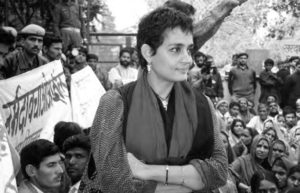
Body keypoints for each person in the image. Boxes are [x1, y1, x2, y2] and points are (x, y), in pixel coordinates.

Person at [80, 7, 227, 193]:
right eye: (175, 49)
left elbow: (220, 171)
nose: (188, 60)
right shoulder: (115, 102)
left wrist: (145, 171)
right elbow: (113, 179)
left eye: (188, 50)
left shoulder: (203, 103)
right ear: (148, 53)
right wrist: (186, 183)